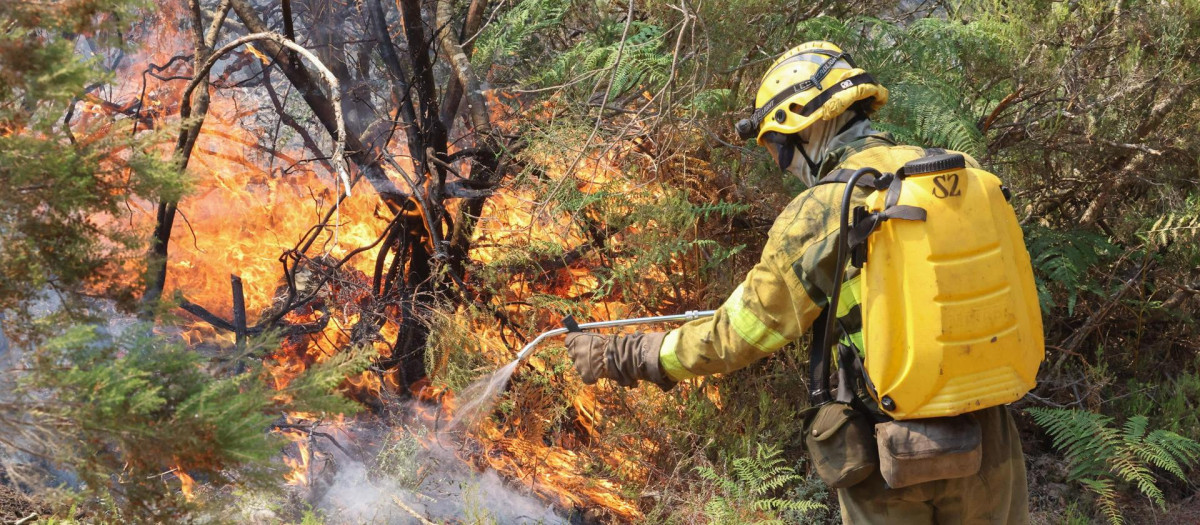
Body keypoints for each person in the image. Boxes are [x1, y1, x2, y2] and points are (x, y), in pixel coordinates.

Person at [564, 41, 1030, 524]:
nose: (781, 163)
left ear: (803, 126)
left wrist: (626, 355)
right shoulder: (963, 172)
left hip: (889, 447)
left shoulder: (824, 209)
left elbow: (740, 333)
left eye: (777, 147)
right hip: (991, 436)